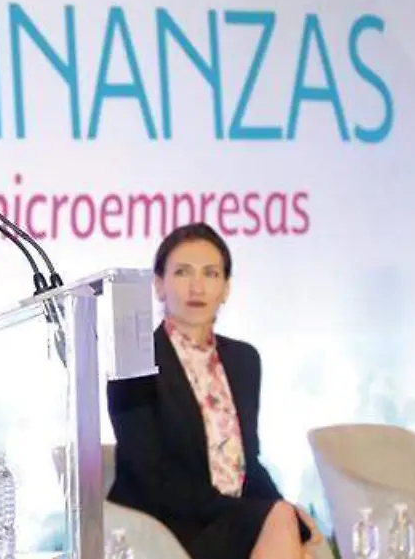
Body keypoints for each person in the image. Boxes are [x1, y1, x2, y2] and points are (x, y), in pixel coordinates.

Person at [105, 223, 322, 559]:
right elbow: (148, 473)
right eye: (182, 272)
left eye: (210, 273)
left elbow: (248, 462)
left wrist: (283, 509)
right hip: (164, 521)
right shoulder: (134, 361)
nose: (197, 286)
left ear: (226, 288)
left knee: (293, 530)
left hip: (231, 517)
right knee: (280, 526)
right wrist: (264, 515)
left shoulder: (244, 360)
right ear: (159, 285)